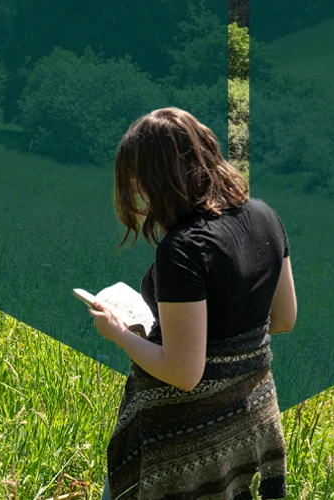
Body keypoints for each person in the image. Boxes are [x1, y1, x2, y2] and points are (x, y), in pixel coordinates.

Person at [91, 108, 297, 499]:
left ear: (156, 179)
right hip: (253, 414)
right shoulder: (265, 215)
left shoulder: (183, 249)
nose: (138, 194)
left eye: (137, 181)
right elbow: (284, 318)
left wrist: (117, 333)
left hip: (190, 431)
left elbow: (185, 372)